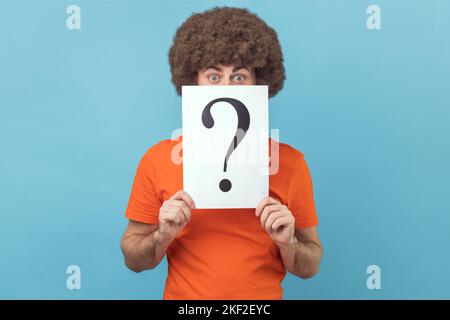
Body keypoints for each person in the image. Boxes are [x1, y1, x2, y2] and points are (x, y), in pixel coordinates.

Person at [121, 6, 322, 300]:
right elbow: (134, 260)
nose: (227, 88)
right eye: (214, 77)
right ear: (193, 82)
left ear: (259, 84)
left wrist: (288, 243)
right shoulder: (158, 160)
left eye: (239, 77)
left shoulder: (290, 163)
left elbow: (310, 266)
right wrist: (161, 236)